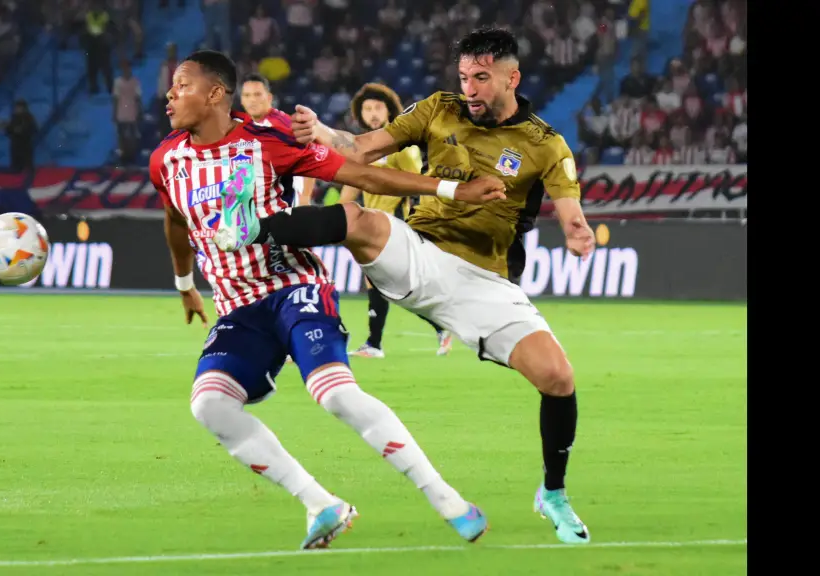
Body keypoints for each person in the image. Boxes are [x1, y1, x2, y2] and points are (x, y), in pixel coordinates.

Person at [213, 28, 595, 545]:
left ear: (512, 77)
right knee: (359, 218)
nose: (471, 88)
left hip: (484, 283)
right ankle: (254, 227)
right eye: (464, 77)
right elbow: (361, 149)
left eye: (481, 78)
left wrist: (577, 230)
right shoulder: (439, 108)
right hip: (418, 252)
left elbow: (570, 211)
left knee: (558, 377)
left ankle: (552, 492)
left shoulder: (545, 144)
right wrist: (322, 131)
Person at [149, 50, 505, 550]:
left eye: (181, 85)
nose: (169, 95)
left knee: (335, 393)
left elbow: (361, 176)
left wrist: (452, 190)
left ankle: (447, 499)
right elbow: (175, 220)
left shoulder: (266, 144)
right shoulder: (166, 158)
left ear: (214, 94)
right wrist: (185, 284)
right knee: (209, 405)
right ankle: (322, 504)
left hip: (294, 288)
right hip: (237, 308)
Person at [339, 82, 453, 358]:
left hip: (395, 224)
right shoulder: (362, 148)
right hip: (368, 225)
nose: (373, 113)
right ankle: (437, 325)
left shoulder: (401, 147)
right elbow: (350, 187)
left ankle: (377, 344)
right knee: (383, 284)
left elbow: (418, 184)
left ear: (390, 111)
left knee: (384, 284)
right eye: (367, 109)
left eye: (378, 107)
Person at [239, 73, 315, 207]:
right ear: (241, 100)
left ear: (269, 97)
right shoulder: (239, 130)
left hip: (285, 208)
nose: (252, 100)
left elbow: (311, 159)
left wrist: (305, 198)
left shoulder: (286, 126)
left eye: (257, 94)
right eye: (247, 95)